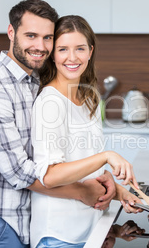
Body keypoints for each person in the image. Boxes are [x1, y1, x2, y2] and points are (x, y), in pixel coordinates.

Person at [0, 0, 117, 248]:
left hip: (26, 218)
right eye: (31, 35)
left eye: (47, 38)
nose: (40, 46)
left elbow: (50, 155)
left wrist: (99, 176)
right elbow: (18, 172)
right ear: (11, 32)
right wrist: (83, 189)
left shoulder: (32, 81)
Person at [30, 15, 142, 248]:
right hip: (59, 236)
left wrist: (120, 192)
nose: (72, 58)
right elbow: (49, 176)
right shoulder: (50, 102)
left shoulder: (89, 96)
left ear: (90, 51)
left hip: (91, 228)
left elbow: (86, 164)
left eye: (80, 48)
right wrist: (106, 156)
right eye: (63, 49)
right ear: (52, 54)